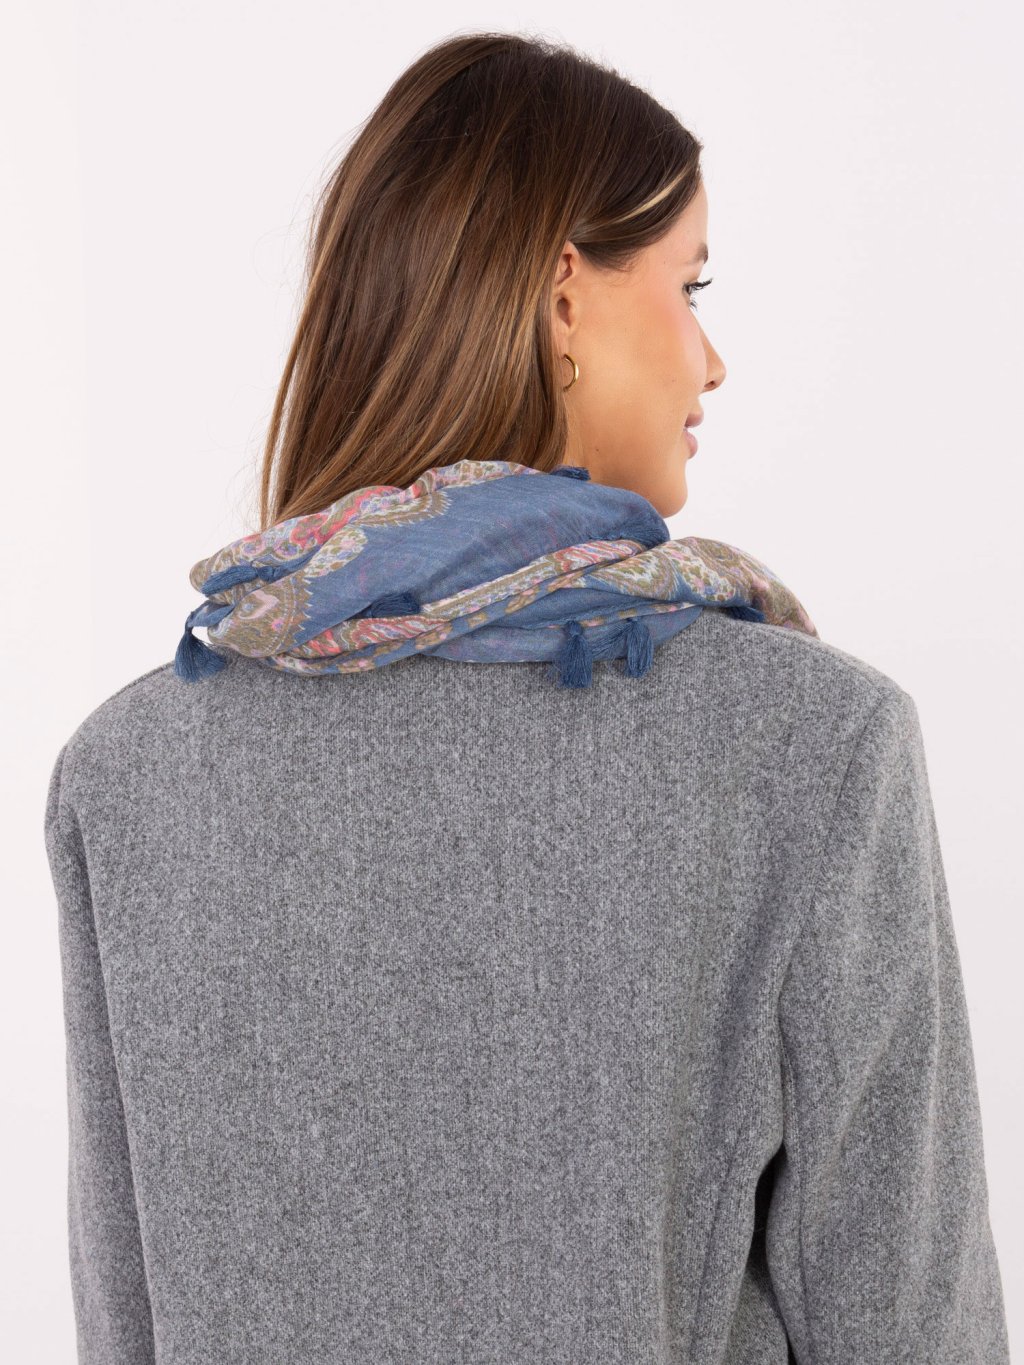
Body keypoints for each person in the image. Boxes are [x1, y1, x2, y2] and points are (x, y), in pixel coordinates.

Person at [44, 30, 1009, 1364]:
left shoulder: (128, 775)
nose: (711, 360)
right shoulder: (812, 749)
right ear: (565, 297)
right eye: (689, 284)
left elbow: (127, 1330)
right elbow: (911, 1328)